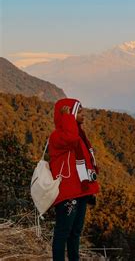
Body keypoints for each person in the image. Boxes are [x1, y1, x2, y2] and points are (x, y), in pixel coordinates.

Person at [48, 98, 100, 261]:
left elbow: (86, 161)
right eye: (80, 111)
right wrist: (67, 118)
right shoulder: (57, 137)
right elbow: (70, 138)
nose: (84, 114)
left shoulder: (79, 136)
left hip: (80, 191)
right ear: (70, 114)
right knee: (63, 232)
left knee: (75, 232)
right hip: (68, 193)